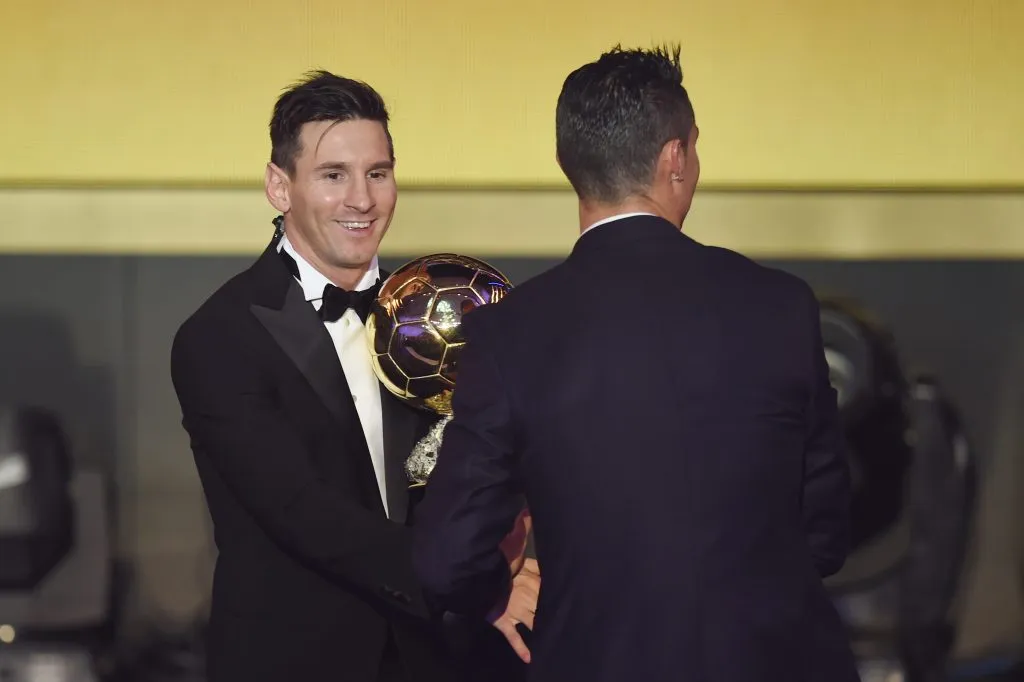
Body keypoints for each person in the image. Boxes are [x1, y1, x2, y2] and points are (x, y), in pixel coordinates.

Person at [411, 45, 860, 682]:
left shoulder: (512, 332)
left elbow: (448, 556)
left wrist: (495, 588)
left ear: (572, 162)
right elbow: (824, 530)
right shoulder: (780, 305)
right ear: (674, 158)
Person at [170, 70, 535, 682]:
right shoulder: (219, 336)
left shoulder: (433, 316)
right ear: (278, 187)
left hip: (436, 659)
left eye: (378, 173)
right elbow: (302, 510)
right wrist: (479, 586)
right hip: (295, 663)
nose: (362, 200)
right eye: (333, 176)